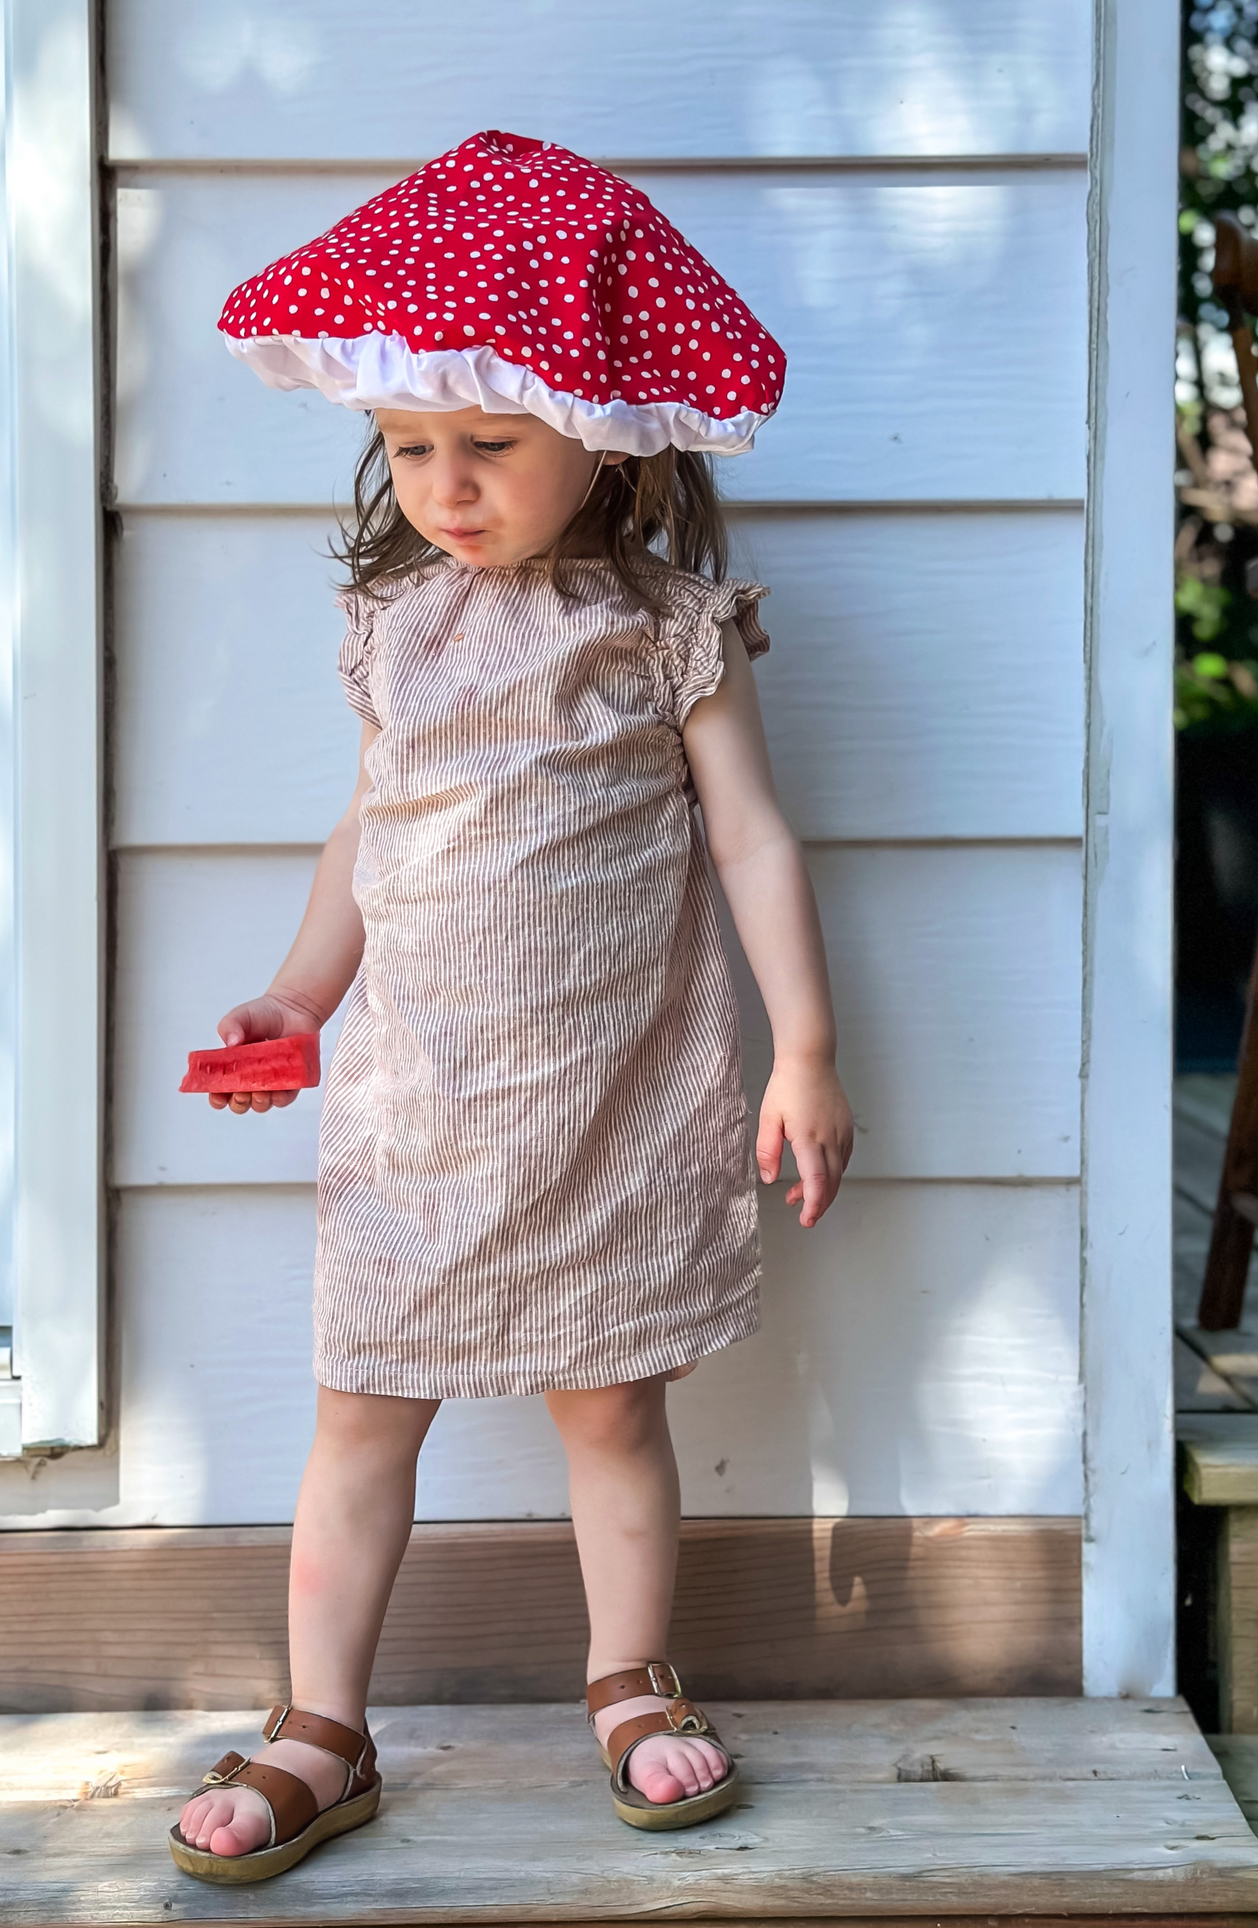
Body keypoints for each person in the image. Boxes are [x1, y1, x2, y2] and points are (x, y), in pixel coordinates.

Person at [169, 130, 853, 1881]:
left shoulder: (663, 626)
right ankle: (325, 1720)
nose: (445, 483)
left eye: (491, 442)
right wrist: (296, 998)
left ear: (604, 443)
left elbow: (757, 842)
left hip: (619, 1094)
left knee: (614, 1404)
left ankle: (630, 1679)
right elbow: (363, 838)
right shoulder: (391, 630)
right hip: (419, 1098)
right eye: (410, 445)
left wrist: (807, 1049)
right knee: (357, 1407)